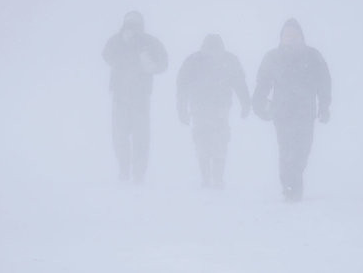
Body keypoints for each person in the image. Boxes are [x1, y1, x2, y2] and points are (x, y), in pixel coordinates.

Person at [252, 19, 331, 202]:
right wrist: (258, 103)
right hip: (281, 113)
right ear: (281, 38)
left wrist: (324, 106)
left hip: (305, 113)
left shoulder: (313, 56)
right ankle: (290, 188)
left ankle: (293, 181)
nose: (291, 38)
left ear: (301, 36)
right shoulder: (272, 57)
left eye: (294, 35)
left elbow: (324, 82)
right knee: (286, 150)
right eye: (287, 35)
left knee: (302, 151)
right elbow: (263, 83)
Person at [176, 34, 250, 189]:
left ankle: (216, 178)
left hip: (220, 108)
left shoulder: (228, 61)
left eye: (215, 51)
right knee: (204, 142)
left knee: (218, 142)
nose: (212, 54)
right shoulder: (194, 61)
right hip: (200, 108)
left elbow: (239, 83)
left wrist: (245, 103)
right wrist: (181, 108)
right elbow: (182, 86)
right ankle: (207, 178)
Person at [102, 11, 168, 183]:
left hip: (139, 97)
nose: (132, 29)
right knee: (122, 137)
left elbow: (163, 63)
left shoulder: (149, 42)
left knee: (138, 138)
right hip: (121, 96)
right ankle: (125, 171)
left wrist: (150, 62)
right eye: (129, 25)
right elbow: (106, 55)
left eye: (135, 25)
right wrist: (125, 48)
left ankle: (137, 173)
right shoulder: (117, 41)